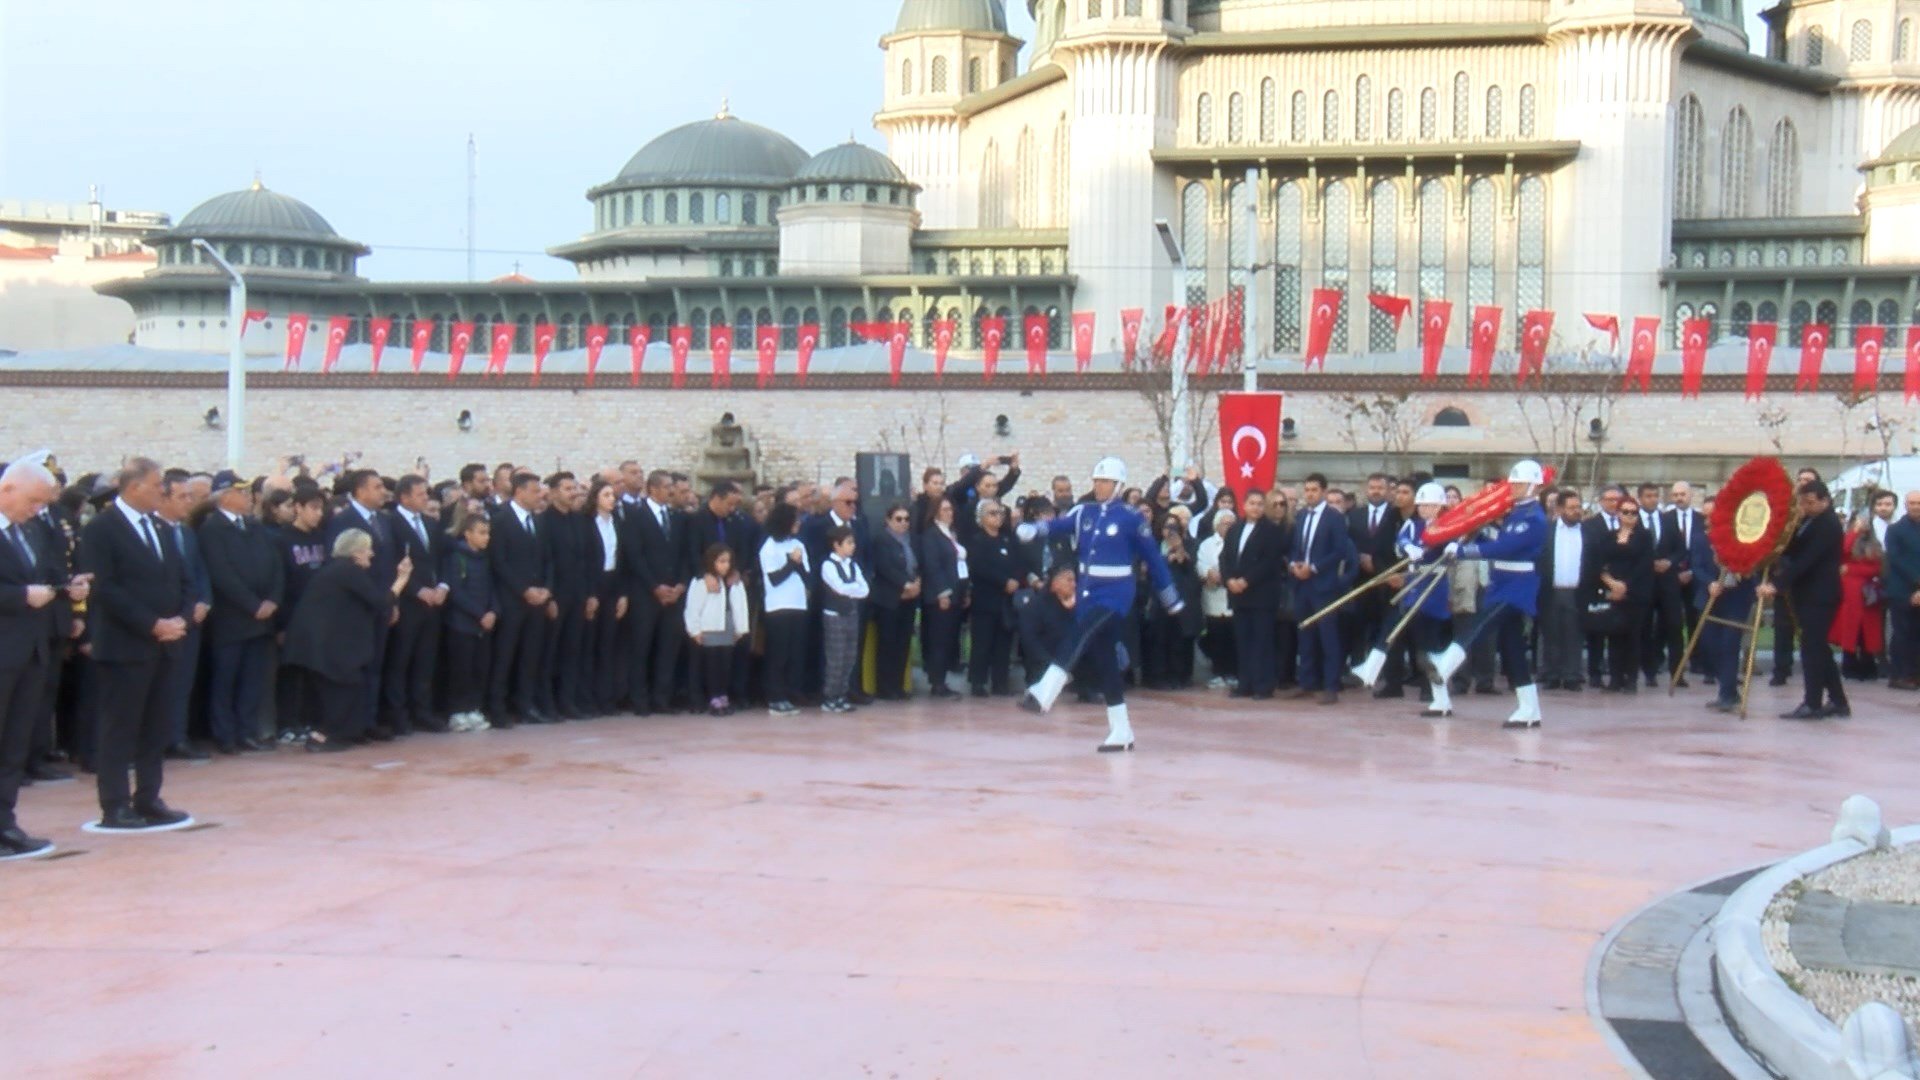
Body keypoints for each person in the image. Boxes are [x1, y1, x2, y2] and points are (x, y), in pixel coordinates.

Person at [1017, 456, 1184, 753]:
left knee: (1079, 633)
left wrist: (1170, 597)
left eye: (1105, 481)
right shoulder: (1085, 512)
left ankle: (1046, 691)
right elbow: (1059, 525)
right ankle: (1121, 730)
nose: (1099, 486)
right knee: (1106, 662)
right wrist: (1034, 529)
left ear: (1118, 485)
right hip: (1088, 592)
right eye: (1096, 481)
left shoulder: (1132, 519)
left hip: (1116, 593)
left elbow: (1154, 560)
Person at [78, 457, 193, 829]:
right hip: (125, 645)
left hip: (164, 642)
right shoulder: (102, 529)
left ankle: (148, 796)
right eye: (157, 484)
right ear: (134, 487)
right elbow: (106, 588)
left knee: (156, 725)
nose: (163, 491)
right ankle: (114, 804)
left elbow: (176, 577)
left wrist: (179, 617)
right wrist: (151, 623)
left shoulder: (160, 528)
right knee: (120, 727)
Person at [1429, 461, 1549, 728]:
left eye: (1519, 484)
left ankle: (1445, 664)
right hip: (1503, 582)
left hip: (1519, 587)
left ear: (1534, 486)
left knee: (1479, 623)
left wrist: (1463, 552)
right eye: (1513, 483)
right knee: (1512, 648)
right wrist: (1474, 534)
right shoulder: (1516, 513)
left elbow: (1506, 548)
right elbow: (1495, 544)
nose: (1514, 488)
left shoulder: (1534, 518)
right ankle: (1530, 709)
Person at [0, 457, 78, 855]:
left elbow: (42, 576)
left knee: (14, 744)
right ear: (7, 489)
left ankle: (5, 822)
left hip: (29, 650)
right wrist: (19, 597)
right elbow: (17, 589)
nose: (37, 510)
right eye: (32, 500)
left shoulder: (27, 532)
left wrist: (64, 589)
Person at [284, 530, 411, 751]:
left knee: (347, 687)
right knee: (339, 690)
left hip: (325, 644)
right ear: (356, 552)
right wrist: (401, 579)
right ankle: (323, 736)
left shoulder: (340, 570)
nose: (371, 554)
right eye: (367, 549)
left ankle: (342, 732)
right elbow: (380, 601)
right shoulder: (347, 571)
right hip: (325, 646)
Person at [197, 470, 283, 754]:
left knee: (252, 679)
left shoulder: (253, 526)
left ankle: (247, 731)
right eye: (241, 492)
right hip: (231, 619)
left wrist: (272, 598)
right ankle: (225, 734)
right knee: (226, 679)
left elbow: (275, 565)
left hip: (261, 618)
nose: (248, 497)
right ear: (224, 497)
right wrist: (251, 604)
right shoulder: (212, 530)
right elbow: (222, 574)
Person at [1355, 483, 1454, 717]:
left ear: (1439, 506)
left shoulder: (1447, 525)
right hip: (1413, 583)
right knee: (1393, 625)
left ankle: (1437, 692)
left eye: (1429, 505)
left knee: (1428, 640)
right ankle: (1373, 667)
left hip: (1434, 583)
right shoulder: (1413, 524)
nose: (1424, 509)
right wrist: (1409, 548)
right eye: (1421, 505)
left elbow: (1455, 543)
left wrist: (1450, 547)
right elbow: (1400, 541)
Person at [1762, 479, 1848, 719]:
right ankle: (1839, 701)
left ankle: (1813, 702)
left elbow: (1806, 560)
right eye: (1802, 502)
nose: (1805, 507)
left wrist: (1777, 585)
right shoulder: (1809, 521)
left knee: (1812, 649)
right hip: (1807, 593)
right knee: (1818, 647)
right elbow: (1794, 550)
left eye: (1810, 503)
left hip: (1820, 594)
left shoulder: (1828, 524)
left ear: (1825, 501)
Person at [324, 468, 398, 741]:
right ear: (360, 491)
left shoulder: (384, 520)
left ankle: (369, 719)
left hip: (380, 602)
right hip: (356, 605)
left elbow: (388, 562)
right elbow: (341, 564)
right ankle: (352, 723)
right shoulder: (343, 520)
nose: (383, 492)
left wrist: (392, 601)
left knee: (376, 663)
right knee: (356, 665)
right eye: (377, 487)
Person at [620, 469, 690, 717]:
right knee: (642, 647)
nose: (671, 490)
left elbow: (685, 553)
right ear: (653, 489)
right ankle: (640, 699)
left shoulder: (677, 517)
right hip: (646, 593)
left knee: (668, 648)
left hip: (673, 594)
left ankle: (662, 697)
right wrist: (654, 586)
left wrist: (680, 585)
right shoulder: (635, 517)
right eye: (667, 486)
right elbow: (634, 555)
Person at [488, 472, 554, 727]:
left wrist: (546, 589)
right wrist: (523, 589)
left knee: (531, 654)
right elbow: (499, 561)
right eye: (535, 491)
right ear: (520, 491)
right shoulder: (501, 519)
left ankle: (526, 703)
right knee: (505, 654)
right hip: (513, 599)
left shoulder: (538, 521)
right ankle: (497, 706)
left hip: (538, 600)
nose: (540, 496)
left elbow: (548, 558)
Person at [154, 474, 212, 761]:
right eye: (182, 496)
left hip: (190, 619)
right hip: (163, 621)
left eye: (191, 496)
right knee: (159, 683)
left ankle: (177, 736)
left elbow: (200, 572)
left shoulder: (187, 533)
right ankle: (156, 739)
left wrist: (204, 601)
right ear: (163, 499)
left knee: (183, 682)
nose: (189, 502)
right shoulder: (153, 531)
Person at [1288, 474, 1357, 706]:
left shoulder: (1333, 518)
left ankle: (1330, 685)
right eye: (1306, 490)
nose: (1309, 494)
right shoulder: (1301, 516)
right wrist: (1294, 565)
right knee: (1304, 634)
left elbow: (1339, 550)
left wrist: (1314, 568)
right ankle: (1307, 682)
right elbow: (1296, 547)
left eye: (1314, 490)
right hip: (1302, 584)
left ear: (1324, 492)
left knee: (1328, 636)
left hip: (1323, 585)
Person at [384, 474, 445, 733]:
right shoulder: (391, 524)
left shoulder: (431, 524)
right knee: (401, 659)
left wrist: (442, 586)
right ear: (405, 497)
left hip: (433, 603)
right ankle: (397, 714)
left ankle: (423, 710)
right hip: (408, 603)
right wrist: (417, 590)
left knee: (425, 659)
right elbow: (391, 563)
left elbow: (441, 559)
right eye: (419, 495)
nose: (425, 499)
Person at [539, 472, 594, 719]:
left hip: (579, 595)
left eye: (574, 488)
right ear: (552, 493)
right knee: (549, 651)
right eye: (567, 489)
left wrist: (590, 594)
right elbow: (544, 562)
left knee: (573, 650)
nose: (573, 493)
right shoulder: (543, 522)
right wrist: (549, 597)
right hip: (555, 596)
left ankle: (568, 701)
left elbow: (589, 559)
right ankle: (546, 702)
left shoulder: (581, 521)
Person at [1224, 490, 1286, 699]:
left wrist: (1246, 580)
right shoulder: (1235, 529)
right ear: (1244, 504)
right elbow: (1225, 557)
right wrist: (1229, 580)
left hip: (1261, 595)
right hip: (1238, 595)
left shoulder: (1272, 531)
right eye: (1252, 503)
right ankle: (1245, 684)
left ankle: (1263, 685)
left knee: (1261, 641)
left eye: (1260, 504)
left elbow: (1269, 562)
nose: (1256, 507)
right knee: (1243, 640)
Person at [440, 512, 496, 731]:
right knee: (461, 669)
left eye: (488, 533)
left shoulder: (485, 559)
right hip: (462, 624)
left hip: (484, 624)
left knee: (479, 668)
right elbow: (456, 591)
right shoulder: (456, 557)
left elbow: (492, 588)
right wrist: (478, 614)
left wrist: (493, 611)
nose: (486, 537)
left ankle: (474, 708)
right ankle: (457, 711)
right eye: (482, 533)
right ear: (468, 534)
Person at [1591, 498, 1654, 693]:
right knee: (1614, 635)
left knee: (1633, 636)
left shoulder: (1644, 537)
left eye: (1633, 512)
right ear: (1618, 513)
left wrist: (1625, 585)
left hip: (1635, 592)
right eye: (1625, 512)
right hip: (1612, 591)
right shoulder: (1609, 537)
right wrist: (1611, 583)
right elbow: (1600, 561)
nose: (1629, 516)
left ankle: (1631, 678)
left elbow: (1644, 565)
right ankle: (1615, 678)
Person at [683, 544, 749, 716]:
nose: (725, 565)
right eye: (721, 561)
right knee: (712, 665)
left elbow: (741, 606)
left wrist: (740, 628)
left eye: (728, 561)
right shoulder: (701, 582)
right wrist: (694, 630)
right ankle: (714, 699)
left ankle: (723, 696)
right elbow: (693, 607)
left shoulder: (735, 582)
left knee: (725, 666)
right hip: (710, 627)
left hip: (727, 626)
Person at [757, 502, 809, 716]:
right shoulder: (769, 547)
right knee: (779, 654)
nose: (797, 524)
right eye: (794, 520)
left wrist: (798, 564)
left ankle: (791, 692)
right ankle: (775, 696)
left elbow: (807, 574)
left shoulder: (798, 544)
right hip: (778, 606)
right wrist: (791, 563)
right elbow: (775, 578)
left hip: (798, 603)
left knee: (795, 653)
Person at [582, 477, 628, 714]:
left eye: (613, 495)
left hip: (613, 583)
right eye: (606, 495)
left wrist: (622, 593)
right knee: (591, 642)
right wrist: (590, 593)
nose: (611, 499)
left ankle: (607, 697)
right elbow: (585, 560)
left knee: (609, 642)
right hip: (594, 583)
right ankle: (588, 698)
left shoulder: (617, 522)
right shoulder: (587, 523)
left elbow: (622, 559)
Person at [965, 499, 1020, 697]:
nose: (997, 517)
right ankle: (978, 682)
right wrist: (1003, 581)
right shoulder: (977, 541)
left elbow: (1017, 562)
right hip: (985, 599)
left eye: (999, 513)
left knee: (1003, 643)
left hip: (1006, 601)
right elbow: (979, 568)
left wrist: (1014, 579)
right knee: (982, 642)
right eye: (992, 513)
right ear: (981, 518)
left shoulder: (1007, 539)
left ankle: (1001, 682)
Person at [1535, 487, 1587, 691]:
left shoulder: (1587, 531)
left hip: (1576, 591)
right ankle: (1552, 674)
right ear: (1560, 509)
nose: (1577, 511)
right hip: (1551, 590)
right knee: (1551, 633)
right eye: (1572, 507)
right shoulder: (1547, 530)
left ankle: (1572, 675)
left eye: (1579, 507)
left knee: (1574, 635)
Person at [869, 502, 921, 701]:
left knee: (903, 643)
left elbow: (918, 564)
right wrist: (905, 585)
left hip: (910, 598)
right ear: (888, 520)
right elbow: (885, 567)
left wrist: (916, 583)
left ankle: (899, 685)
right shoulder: (881, 540)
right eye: (898, 519)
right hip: (889, 598)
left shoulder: (912, 540)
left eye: (907, 519)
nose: (903, 523)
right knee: (888, 644)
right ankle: (885, 687)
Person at [818, 525, 870, 713]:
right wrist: (852, 588)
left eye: (853, 542)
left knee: (849, 657)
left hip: (851, 614)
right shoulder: (828, 565)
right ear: (836, 545)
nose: (852, 546)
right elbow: (838, 588)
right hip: (835, 616)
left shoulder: (853, 565)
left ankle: (841, 694)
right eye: (848, 543)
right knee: (836, 658)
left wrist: (851, 590)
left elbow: (865, 590)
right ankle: (830, 696)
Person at [920, 498, 969, 698]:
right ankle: (937, 682)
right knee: (938, 639)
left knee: (949, 638)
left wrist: (965, 591)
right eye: (945, 509)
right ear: (936, 512)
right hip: (941, 594)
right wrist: (942, 592)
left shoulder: (951, 534)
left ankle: (943, 678)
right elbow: (933, 566)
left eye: (951, 509)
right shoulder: (931, 535)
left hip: (957, 591)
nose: (950, 512)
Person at [1833, 510, 1885, 681]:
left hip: (1868, 591)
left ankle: (1868, 665)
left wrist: (1852, 570)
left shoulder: (1874, 543)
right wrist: (1854, 531)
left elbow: (1876, 568)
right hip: (1850, 592)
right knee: (1850, 627)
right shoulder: (1847, 538)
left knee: (1867, 631)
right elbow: (1841, 552)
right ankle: (1849, 664)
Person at [1196, 509, 1236, 689]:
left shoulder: (1237, 542)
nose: (1228, 527)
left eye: (1231, 523)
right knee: (1216, 636)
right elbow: (1201, 563)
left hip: (1233, 595)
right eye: (1225, 523)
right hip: (1213, 596)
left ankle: (1234, 672)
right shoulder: (1207, 544)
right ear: (1217, 525)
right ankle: (1218, 672)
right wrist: (1210, 573)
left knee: (1233, 636)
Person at [1884, 490, 1920, 690]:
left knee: (1917, 633)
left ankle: (1914, 672)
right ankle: (1898, 675)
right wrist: (1917, 584)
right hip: (1902, 590)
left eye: (1919, 503)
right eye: (1912, 503)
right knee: (1902, 633)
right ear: (1905, 505)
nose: (1916, 506)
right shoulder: (1896, 530)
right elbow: (1897, 560)